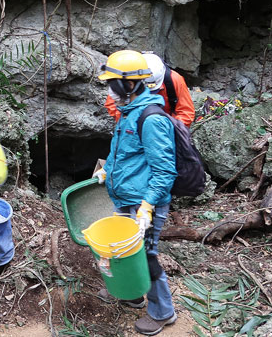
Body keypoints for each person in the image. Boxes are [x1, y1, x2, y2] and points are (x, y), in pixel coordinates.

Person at [95, 50, 178, 336]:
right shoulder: (128, 111)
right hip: (126, 198)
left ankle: (162, 312)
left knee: (147, 255)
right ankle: (132, 293)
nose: (109, 90)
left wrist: (148, 206)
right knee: (124, 250)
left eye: (112, 83)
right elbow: (121, 150)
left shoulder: (152, 119)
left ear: (130, 84)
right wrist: (106, 170)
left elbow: (165, 171)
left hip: (144, 203)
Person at [104, 52, 195, 127]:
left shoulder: (174, 80)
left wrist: (167, 129)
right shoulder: (128, 79)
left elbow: (186, 112)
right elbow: (112, 103)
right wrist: (128, 122)